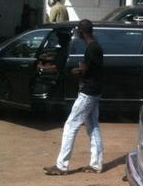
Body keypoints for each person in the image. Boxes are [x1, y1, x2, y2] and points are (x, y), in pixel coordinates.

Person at [44, 20, 103, 175]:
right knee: (93, 126)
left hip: (88, 92)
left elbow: (83, 70)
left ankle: (62, 166)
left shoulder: (91, 49)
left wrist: (72, 71)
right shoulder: (96, 46)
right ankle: (96, 164)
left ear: (81, 32)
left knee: (71, 125)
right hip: (95, 91)